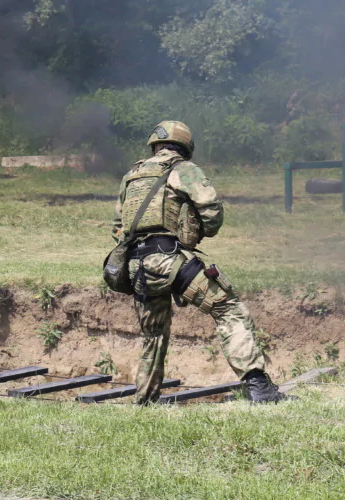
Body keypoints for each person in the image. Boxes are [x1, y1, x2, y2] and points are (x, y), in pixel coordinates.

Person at [112, 121, 287, 404]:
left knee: (153, 335)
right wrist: (198, 232)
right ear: (184, 147)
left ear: (154, 146)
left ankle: (145, 402)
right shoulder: (184, 170)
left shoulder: (131, 176)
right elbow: (211, 210)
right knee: (228, 307)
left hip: (136, 266)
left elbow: (117, 227)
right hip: (170, 259)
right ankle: (260, 388)